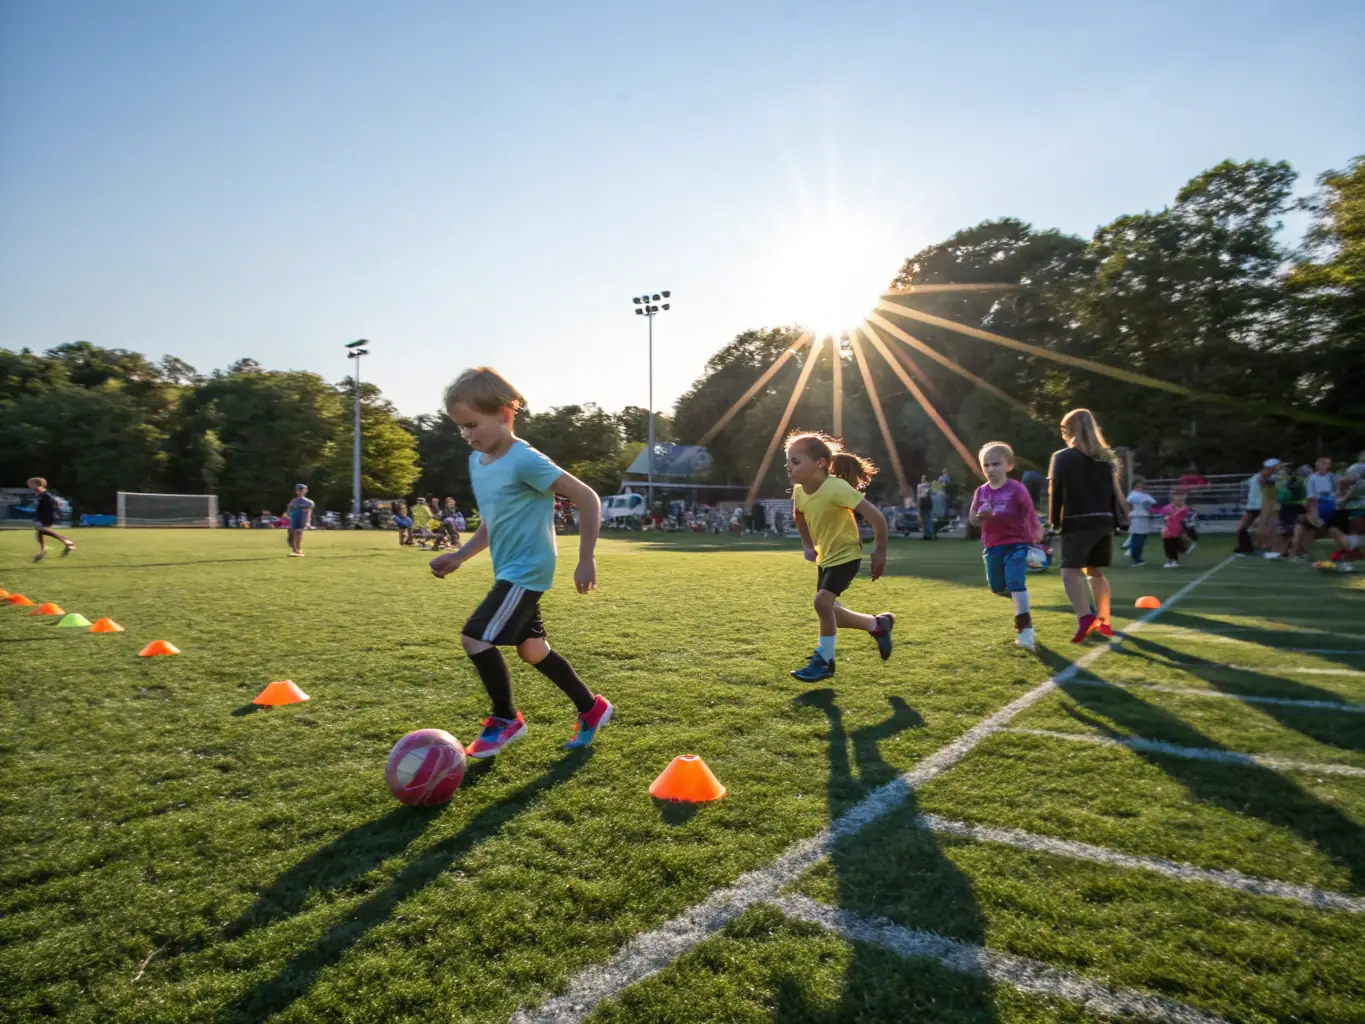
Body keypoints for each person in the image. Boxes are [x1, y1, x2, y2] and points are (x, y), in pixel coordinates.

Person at [429, 366, 612, 758]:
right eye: (461, 428)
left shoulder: (525, 460)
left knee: (474, 637)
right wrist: (461, 555)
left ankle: (505, 719)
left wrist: (586, 558)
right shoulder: (478, 464)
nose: (467, 435)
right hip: (508, 569)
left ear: (506, 414)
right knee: (533, 650)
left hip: (528, 570)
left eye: (473, 424)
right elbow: (494, 523)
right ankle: (592, 708)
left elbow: (587, 497)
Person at [786, 431, 894, 682]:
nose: (789, 468)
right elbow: (799, 514)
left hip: (847, 554)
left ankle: (824, 661)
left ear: (820, 463)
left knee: (822, 603)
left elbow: (877, 518)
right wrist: (807, 544)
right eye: (788, 462)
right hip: (826, 557)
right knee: (831, 611)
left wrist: (880, 551)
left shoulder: (836, 488)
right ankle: (877, 625)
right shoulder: (800, 491)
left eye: (795, 461)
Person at [1047, 409, 1127, 643]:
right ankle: (1104, 620)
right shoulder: (1106, 459)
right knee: (1094, 571)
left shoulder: (1062, 457)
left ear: (1068, 430)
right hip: (1104, 520)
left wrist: (1053, 522)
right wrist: (1117, 520)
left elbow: (1057, 493)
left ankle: (1085, 617)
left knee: (1070, 571)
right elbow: (1114, 492)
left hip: (1078, 520)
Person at [967, 442, 1043, 650]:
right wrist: (981, 515)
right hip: (992, 546)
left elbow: (1029, 512)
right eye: (986, 465)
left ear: (1008, 466)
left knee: (1016, 581)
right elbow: (972, 520)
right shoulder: (981, 492)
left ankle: (1025, 629)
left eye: (996, 464)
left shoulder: (1017, 489)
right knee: (997, 587)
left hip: (1016, 544)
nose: (991, 469)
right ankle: (1021, 600)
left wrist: (1036, 533)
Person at [1233, 459, 1279, 555]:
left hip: (1262, 506)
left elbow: (1264, 481)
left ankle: (1264, 548)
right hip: (1252, 506)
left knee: (1260, 529)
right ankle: (1245, 547)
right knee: (1241, 528)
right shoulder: (1256, 476)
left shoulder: (1273, 479)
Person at [27, 477, 74, 562]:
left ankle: (64, 541)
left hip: (48, 515)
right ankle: (44, 550)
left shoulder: (41, 491)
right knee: (40, 531)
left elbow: (50, 502)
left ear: (37, 484)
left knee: (40, 529)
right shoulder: (40, 493)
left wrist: (38, 489)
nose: (28, 484)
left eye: (30, 483)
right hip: (44, 515)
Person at [1151, 490, 1194, 568]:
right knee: (1168, 547)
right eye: (1177, 496)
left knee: (1175, 546)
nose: (1179, 498)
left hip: (1177, 530)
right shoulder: (1167, 507)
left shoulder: (1184, 508)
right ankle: (1172, 560)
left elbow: (1182, 515)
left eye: (1180, 497)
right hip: (1168, 530)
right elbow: (1161, 514)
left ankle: (1175, 559)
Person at [285, 484, 314, 556]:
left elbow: (308, 512)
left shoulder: (308, 502)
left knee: (299, 534)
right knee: (293, 534)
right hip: (295, 518)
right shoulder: (293, 502)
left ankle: (298, 550)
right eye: (303, 489)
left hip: (301, 518)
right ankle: (294, 550)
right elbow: (289, 513)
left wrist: (308, 522)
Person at [916, 474, 935, 540]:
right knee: (927, 519)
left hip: (924, 502)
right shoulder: (929, 485)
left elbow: (920, 496)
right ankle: (928, 534)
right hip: (927, 502)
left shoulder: (920, 486)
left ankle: (927, 534)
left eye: (922, 478)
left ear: (925, 479)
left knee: (925, 519)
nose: (921, 479)